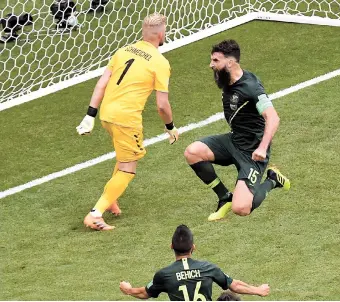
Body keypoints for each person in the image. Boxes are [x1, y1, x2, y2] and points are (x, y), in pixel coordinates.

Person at [76, 12, 179, 231]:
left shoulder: (123, 51)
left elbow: (102, 83)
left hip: (106, 114)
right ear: (161, 34)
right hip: (126, 119)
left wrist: (89, 115)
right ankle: (95, 214)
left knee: (123, 157)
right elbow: (162, 105)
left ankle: (111, 198)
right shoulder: (160, 62)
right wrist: (170, 127)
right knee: (128, 167)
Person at [184, 39, 290, 221]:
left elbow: (273, 118)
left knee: (241, 208)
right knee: (192, 152)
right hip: (234, 141)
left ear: (230, 62)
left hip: (252, 152)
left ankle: (273, 179)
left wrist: (262, 148)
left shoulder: (251, 87)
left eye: (216, 61)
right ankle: (224, 197)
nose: (211, 65)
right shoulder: (227, 79)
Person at [119, 225, 270, 301]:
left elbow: (144, 293)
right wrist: (258, 290)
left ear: (171, 247)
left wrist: (128, 289)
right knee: (228, 298)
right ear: (193, 247)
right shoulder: (208, 268)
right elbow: (235, 285)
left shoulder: (164, 275)